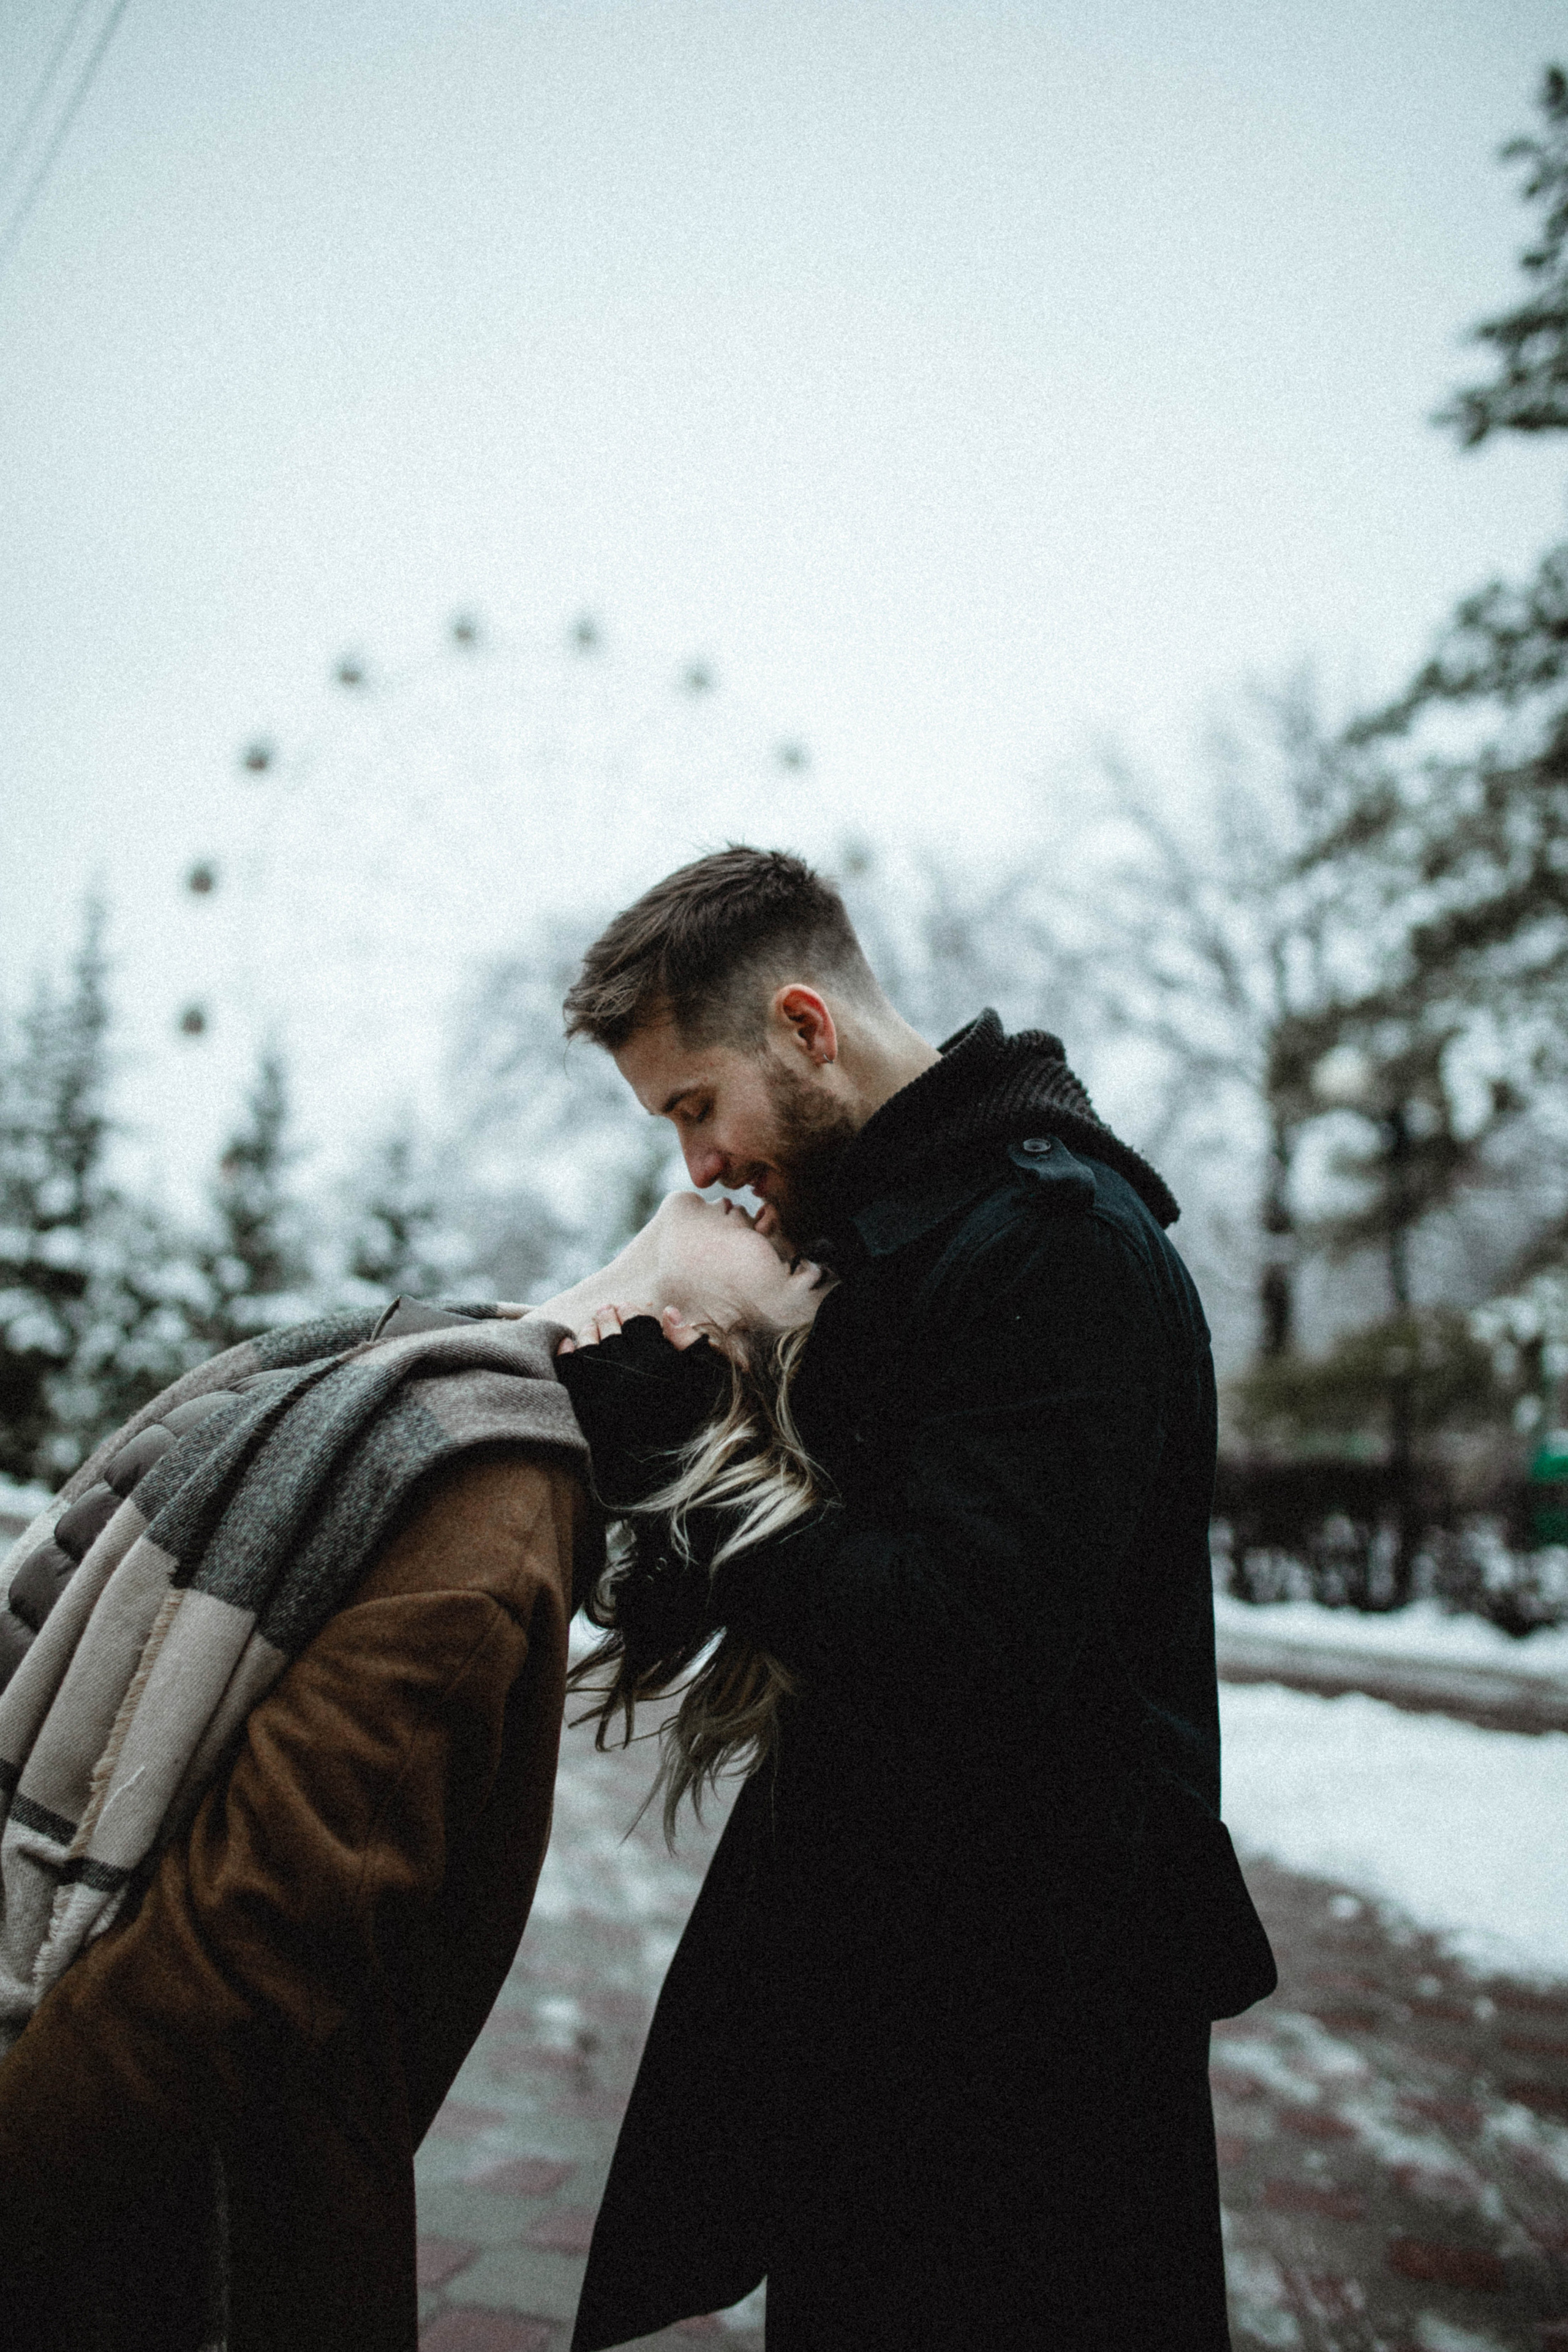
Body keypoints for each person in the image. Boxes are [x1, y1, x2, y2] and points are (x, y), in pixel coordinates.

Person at [550, 845, 1278, 2352]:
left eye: (698, 1107)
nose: (695, 1166)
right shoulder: (864, 1246)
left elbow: (953, 1634)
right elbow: (756, 1590)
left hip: (1039, 2014)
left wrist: (690, 1456)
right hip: (887, 1982)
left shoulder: (1054, 1242)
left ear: (805, 1028)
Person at [0, 1206, 816, 2352]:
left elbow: (225, 1962)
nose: (763, 1198)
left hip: (184, 2263)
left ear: (703, 1352)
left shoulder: (486, 1519)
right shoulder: (428, 1380)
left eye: (797, 1257)